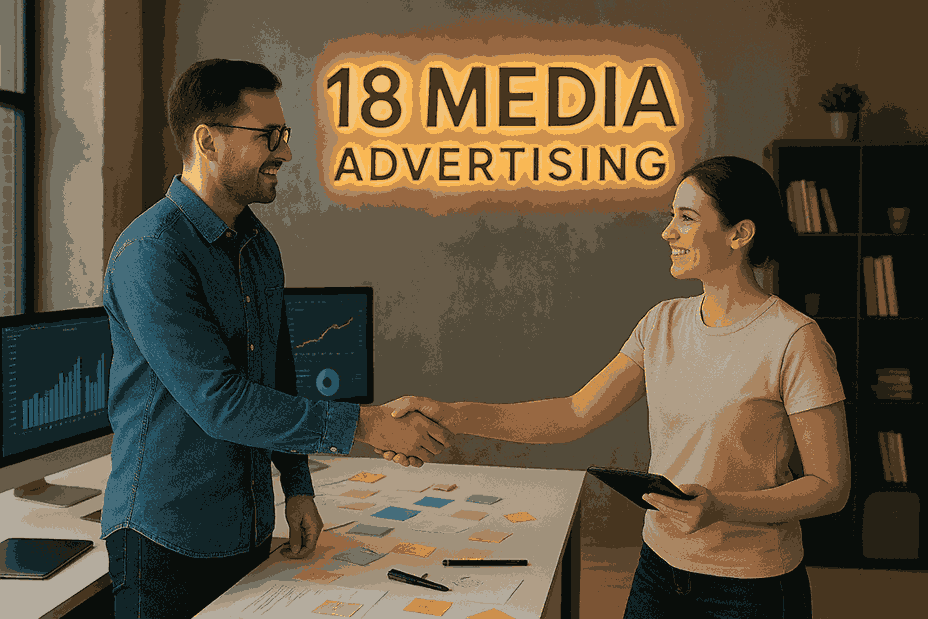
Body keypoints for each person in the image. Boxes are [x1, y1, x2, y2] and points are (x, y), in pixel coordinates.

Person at [377, 156, 851, 618]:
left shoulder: (794, 339)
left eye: (686, 218)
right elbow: (574, 414)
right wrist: (450, 413)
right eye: (671, 216)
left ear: (739, 233)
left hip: (751, 587)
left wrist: (722, 506)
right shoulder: (662, 323)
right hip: (659, 568)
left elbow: (830, 487)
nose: (668, 232)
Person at [101, 58, 453, 619]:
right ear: (208, 141)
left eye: (283, 135)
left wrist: (297, 485)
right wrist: (368, 424)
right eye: (268, 136)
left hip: (247, 527)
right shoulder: (151, 253)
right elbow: (220, 403)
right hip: (165, 540)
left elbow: (277, 372)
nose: (285, 152)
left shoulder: (259, 246)